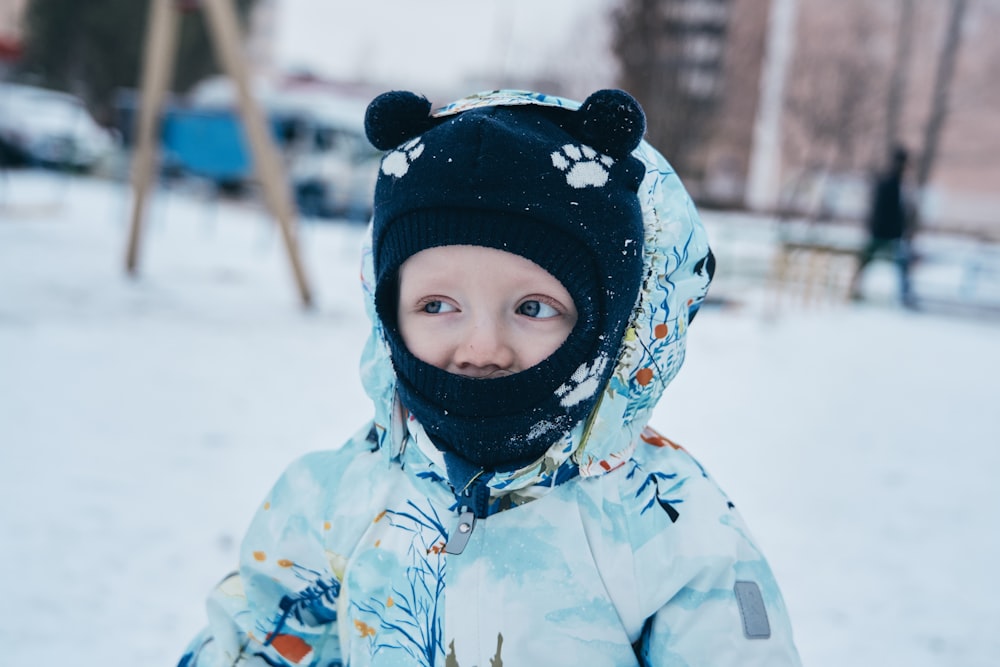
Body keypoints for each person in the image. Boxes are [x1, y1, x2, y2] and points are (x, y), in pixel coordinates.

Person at [179, 89, 801, 666]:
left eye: (532, 309)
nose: (481, 347)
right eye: (437, 306)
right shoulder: (342, 493)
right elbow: (262, 631)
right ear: (386, 310)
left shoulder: (669, 521)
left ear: (612, 325)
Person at [849, 146, 916, 306]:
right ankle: (855, 290)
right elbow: (886, 212)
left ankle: (856, 290)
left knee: (897, 265)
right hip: (884, 234)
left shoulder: (895, 184)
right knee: (896, 264)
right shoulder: (891, 184)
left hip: (884, 233)